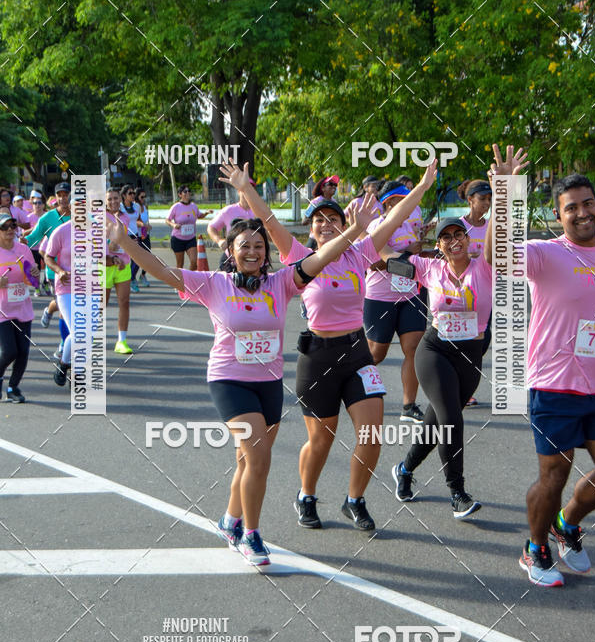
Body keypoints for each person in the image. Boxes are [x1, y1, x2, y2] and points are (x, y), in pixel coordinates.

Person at [105, 195, 373, 567]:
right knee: (259, 456)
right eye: (244, 245)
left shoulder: (281, 282)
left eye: (259, 246)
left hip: (268, 382)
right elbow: (163, 271)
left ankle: (228, 520)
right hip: (229, 380)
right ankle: (251, 534)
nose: (253, 251)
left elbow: (320, 258)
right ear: (230, 250)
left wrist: (356, 230)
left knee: (247, 461)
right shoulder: (214, 284)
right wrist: (124, 241)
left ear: (267, 253)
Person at [220, 160, 438, 532]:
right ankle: (306, 494)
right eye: (318, 219)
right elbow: (269, 220)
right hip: (317, 357)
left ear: (344, 224)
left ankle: (355, 500)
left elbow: (394, 216)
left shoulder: (361, 253)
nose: (325, 223)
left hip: (357, 354)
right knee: (320, 440)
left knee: (371, 433)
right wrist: (246, 188)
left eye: (332, 218)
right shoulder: (299, 258)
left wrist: (422, 184)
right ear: (311, 228)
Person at [485, 147, 595, 587]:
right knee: (554, 475)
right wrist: (504, 192)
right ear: (559, 216)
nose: (582, 213)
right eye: (572, 208)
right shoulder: (546, 254)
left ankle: (566, 523)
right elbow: (497, 257)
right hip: (555, 384)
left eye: (588, 203)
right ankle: (534, 548)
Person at [390, 210, 494, 518]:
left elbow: (496, 236)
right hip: (434, 350)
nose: (453, 241)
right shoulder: (428, 268)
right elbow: (383, 256)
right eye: (445, 237)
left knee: (436, 425)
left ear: (467, 238)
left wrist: (503, 189)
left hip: (471, 354)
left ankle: (404, 468)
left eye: (458, 234)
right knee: (451, 420)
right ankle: (457, 493)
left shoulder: (485, 266)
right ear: (439, 244)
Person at [363, 182, 427, 422]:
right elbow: (375, 263)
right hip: (381, 297)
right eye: (402, 200)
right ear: (389, 203)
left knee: (414, 350)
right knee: (375, 354)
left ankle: (408, 406)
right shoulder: (377, 226)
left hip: (410, 294)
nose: (408, 205)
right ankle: (345, 386)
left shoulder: (410, 227)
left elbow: (414, 262)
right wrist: (410, 252)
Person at [458, 178, 494, 405]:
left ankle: (463, 385)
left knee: (482, 341)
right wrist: (465, 257)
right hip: (461, 295)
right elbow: (443, 255)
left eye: (490, 199)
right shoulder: (458, 226)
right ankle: (460, 389)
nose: (487, 204)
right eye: (482, 199)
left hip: (487, 295)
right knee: (463, 342)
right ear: (470, 200)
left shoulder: (493, 226)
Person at [26, 183, 71, 354]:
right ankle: (63, 344)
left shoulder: (80, 217)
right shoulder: (47, 218)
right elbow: (33, 238)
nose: (63, 198)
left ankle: (48, 309)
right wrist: (15, 244)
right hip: (55, 271)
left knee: (68, 307)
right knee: (64, 310)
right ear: (55, 197)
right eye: (59, 195)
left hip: (78, 270)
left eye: (65, 194)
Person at [0, 212, 39, 402]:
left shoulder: (23, 249)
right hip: (2, 310)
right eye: (4, 227)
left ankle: (13, 388)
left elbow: (33, 282)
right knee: (9, 351)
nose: (9, 230)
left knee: (23, 351)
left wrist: (34, 273)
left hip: (22, 307)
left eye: (12, 226)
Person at [44, 210, 75, 386]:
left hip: (90, 289)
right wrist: (60, 271)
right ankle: (64, 364)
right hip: (66, 288)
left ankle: (74, 370)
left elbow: (103, 257)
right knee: (78, 332)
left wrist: (114, 260)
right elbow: (48, 256)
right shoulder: (61, 231)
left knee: (88, 335)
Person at [103, 188, 134, 354]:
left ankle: (122, 341)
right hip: (105, 265)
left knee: (124, 301)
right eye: (110, 199)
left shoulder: (125, 217)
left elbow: (126, 240)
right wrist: (110, 249)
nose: (113, 202)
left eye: (116, 198)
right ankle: (92, 335)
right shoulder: (99, 217)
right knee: (102, 304)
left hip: (123, 264)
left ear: (120, 199)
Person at [207, 184, 255, 268]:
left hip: (253, 259)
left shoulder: (260, 212)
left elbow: (270, 231)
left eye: (251, 189)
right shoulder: (228, 211)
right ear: (239, 191)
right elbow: (211, 227)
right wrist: (219, 240)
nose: (248, 192)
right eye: (245, 189)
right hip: (231, 260)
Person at [167, 185, 210, 271]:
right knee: (180, 264)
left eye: (189, 191)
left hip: (190, 238)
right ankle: (179, 282)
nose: (188, 193)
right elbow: (167, 220)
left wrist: (206, 213)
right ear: (180, 194)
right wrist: (174, 225)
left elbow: (199, 215)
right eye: (185, 191)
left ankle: (188, 279)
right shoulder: (176, 207)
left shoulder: (193, 206)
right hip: (178, 238)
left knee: (194, 262)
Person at [304, 176, 340, 250]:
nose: (333, 187)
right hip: (315, 239)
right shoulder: (316, 202)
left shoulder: (334, 202)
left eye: (335, 185)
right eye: (330, 184)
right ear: (323, 188)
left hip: (331, 238)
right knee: (305, 258)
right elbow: (304, 220)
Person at [119, 185, 143, 292]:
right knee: (126, 260)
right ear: (124, 195)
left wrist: (143, 228)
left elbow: (138, 219)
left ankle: (131, 278)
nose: (133, 195)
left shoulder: (137, 206)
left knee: (138, 260)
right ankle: (127, 281)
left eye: (134, 193)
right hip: (125, 236)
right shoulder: (120, 207)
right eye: (130, 193)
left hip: (136, 236)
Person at [134, 187, 152, 288]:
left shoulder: (145, 207)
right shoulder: (134, 207)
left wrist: (147, 227)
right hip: (137, 235)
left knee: (148, 257)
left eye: (145, 196)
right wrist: (143, 225)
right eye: (142, 196)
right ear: (136, 196)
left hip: (145, 234)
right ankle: (132, 278)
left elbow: (146, 220)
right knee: (138, 259)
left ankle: (143, 275)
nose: (144, 198)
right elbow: (134, 221)